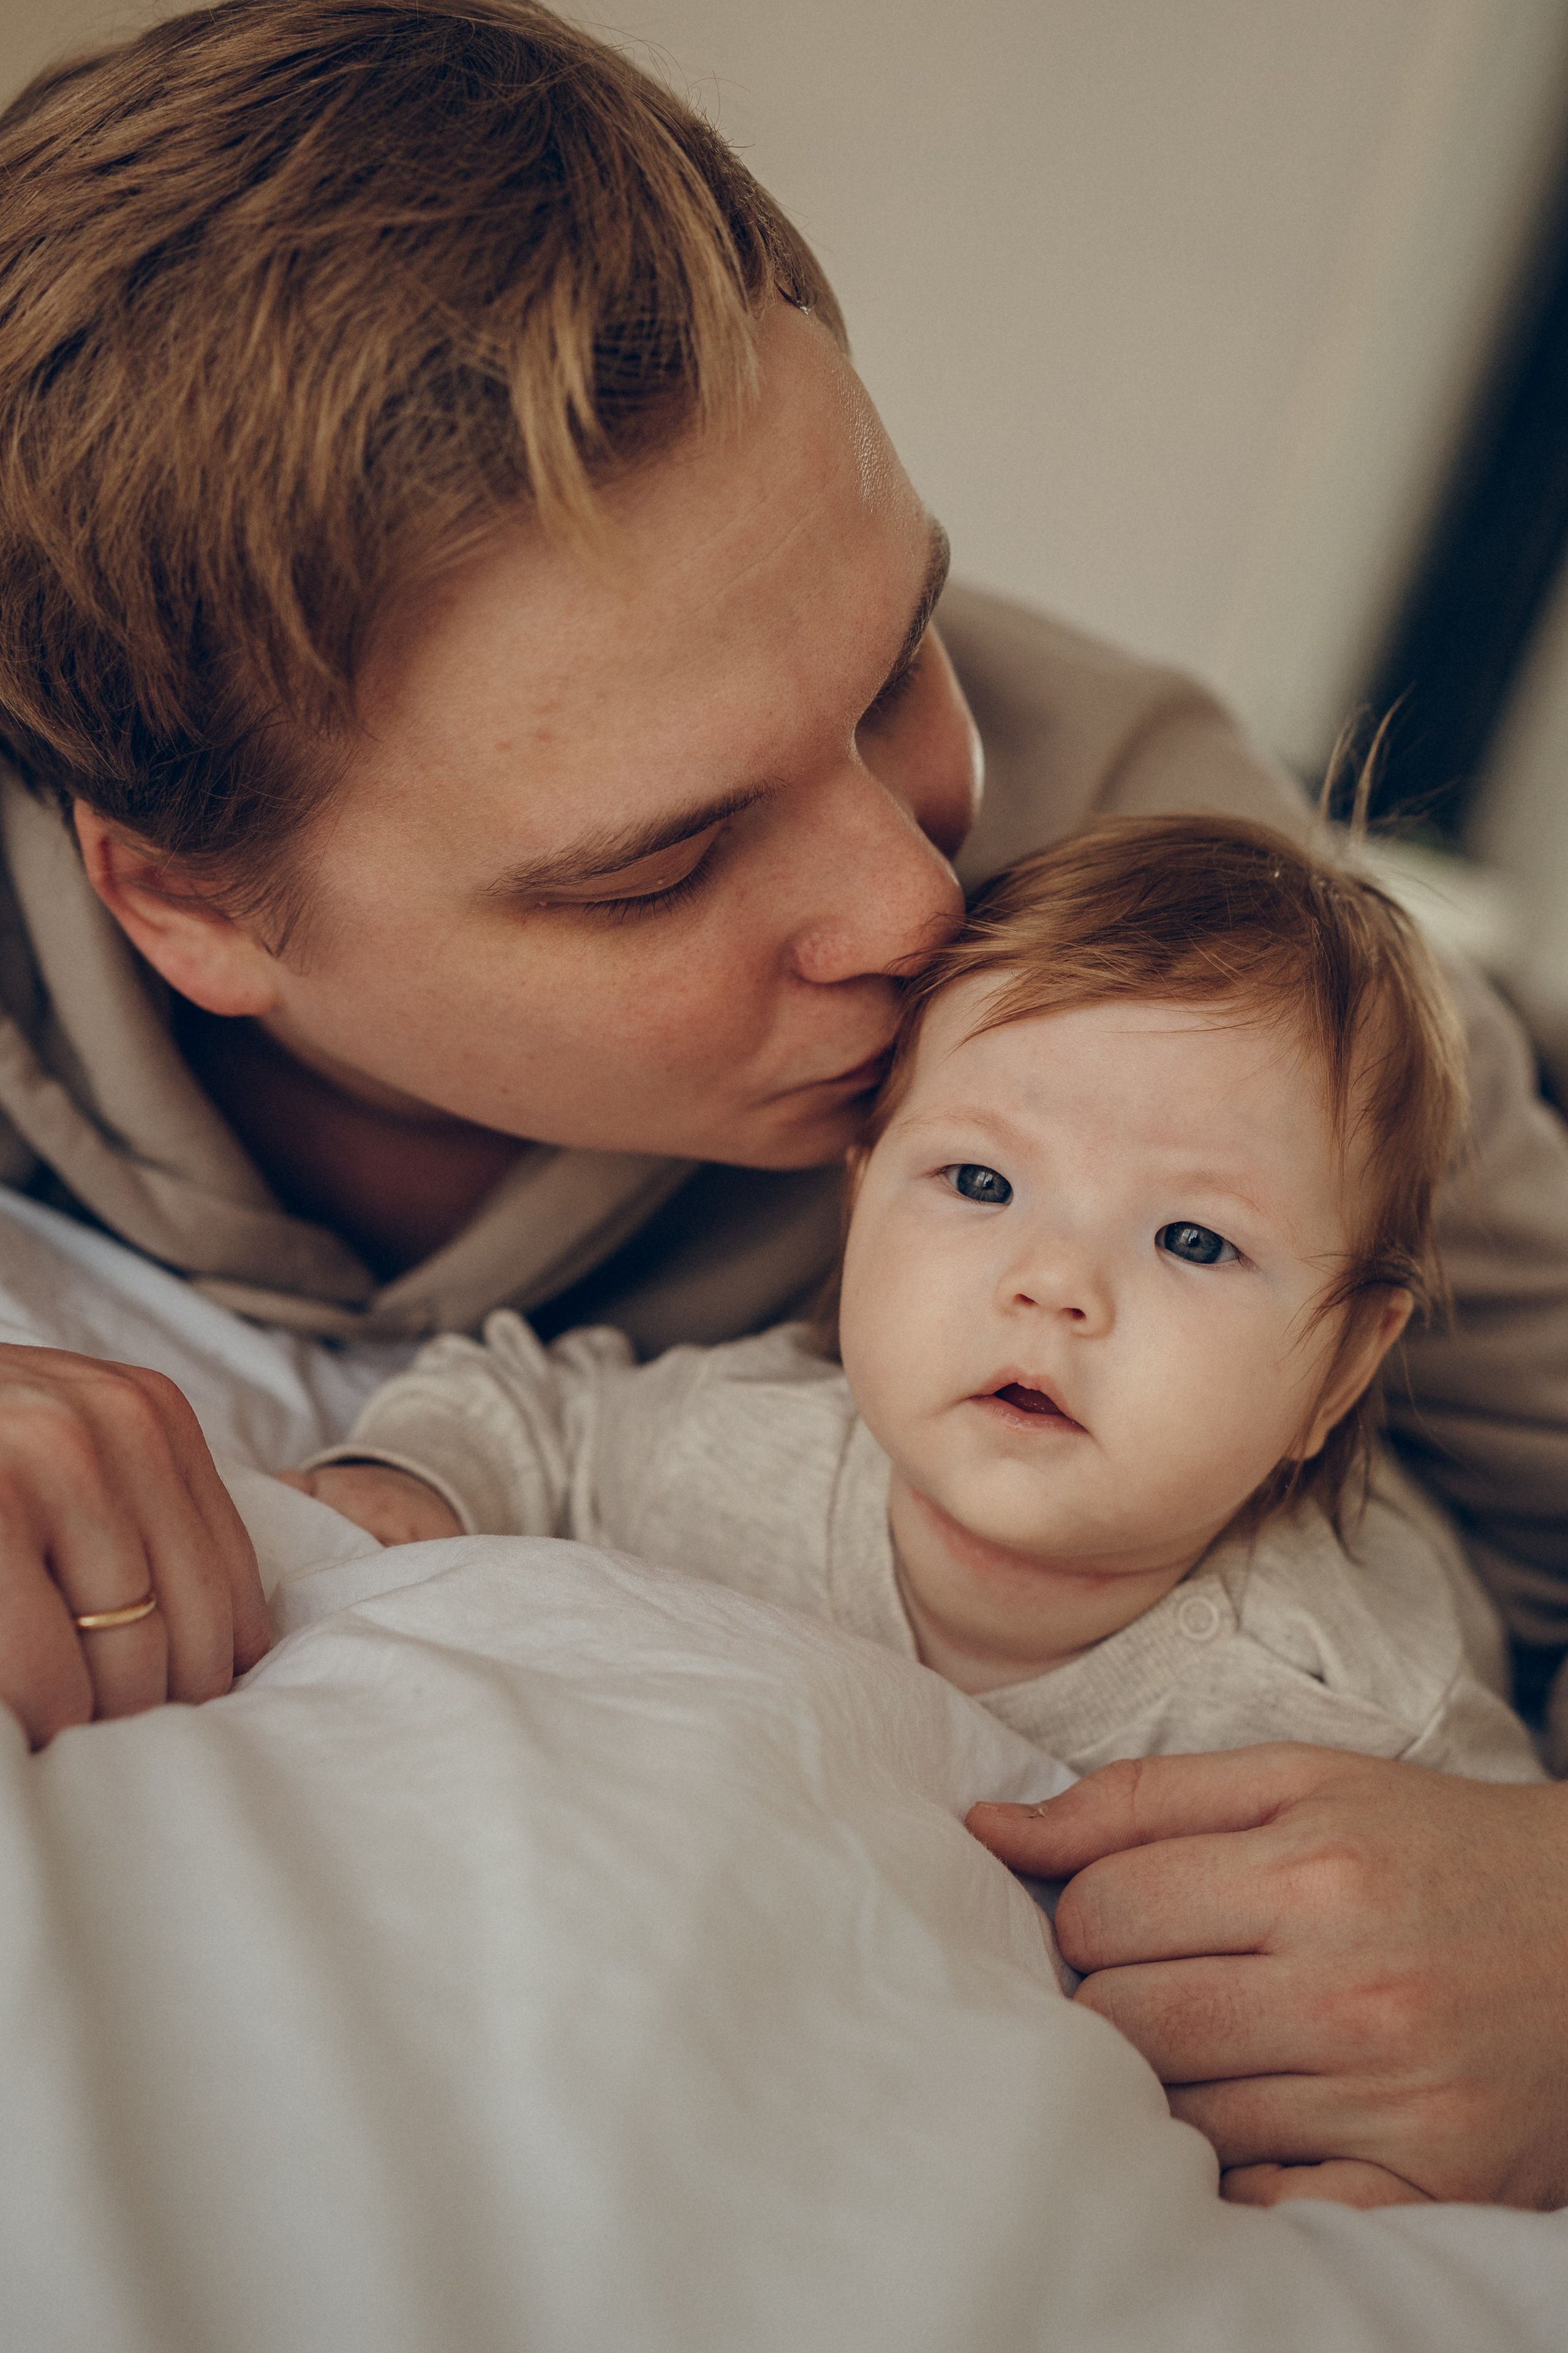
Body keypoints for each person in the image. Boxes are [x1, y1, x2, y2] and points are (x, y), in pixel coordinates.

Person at [0, 0, 1564, 2207]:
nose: (911, 899)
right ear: (185, 904)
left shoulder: (1173, 935)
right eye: (658, 863)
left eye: (901, 654)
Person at [279, 814, 1542, 2211]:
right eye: (979, 1182)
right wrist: (410, 1481)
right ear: (860, 1204)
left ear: (1341, 1370)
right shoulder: (737, 1450)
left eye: (1193, 1239)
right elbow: (528, 1407)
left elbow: (1450, 1998)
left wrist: (1375, 2162)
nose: (1052, 1282)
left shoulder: (1362, 1717)